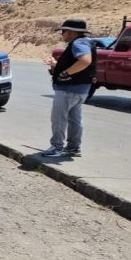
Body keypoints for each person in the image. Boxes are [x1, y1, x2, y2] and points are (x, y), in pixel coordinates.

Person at [41, 19, 95, 158]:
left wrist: (65, 73)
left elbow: (85, 61)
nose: (62, 34)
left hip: (68, 89)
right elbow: (78, 63)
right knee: (75, 120)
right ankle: (73, 147)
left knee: (59, 119)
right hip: (80, 89)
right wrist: (56, 65)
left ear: (71, 32)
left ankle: (56, 147)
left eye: (63, 31)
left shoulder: (78, 43)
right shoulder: (85, 42)